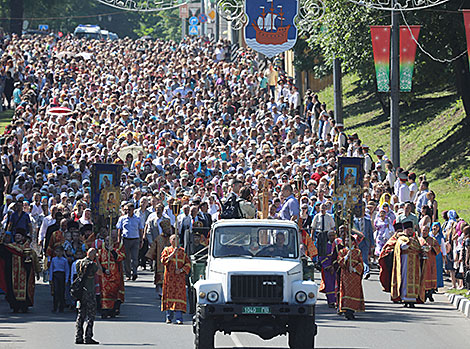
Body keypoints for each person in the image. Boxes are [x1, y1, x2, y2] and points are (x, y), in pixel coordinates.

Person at [0, 229, 41, 313]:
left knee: (25, 289)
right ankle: (15, 306)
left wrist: (37, 271)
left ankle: (24, 306)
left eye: (19, 236)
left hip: (25, 273)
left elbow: (34, 261)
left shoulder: (29, 249)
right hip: (13, 273)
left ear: (23, 237)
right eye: (16, 236)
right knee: (12, 288)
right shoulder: (11, 247)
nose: (17, 237)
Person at [161, 234, 191, 324]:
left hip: (179, 279)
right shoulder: (166, 250)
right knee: (169, 297)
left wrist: (181, 270)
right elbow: (163, 260)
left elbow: (188, 264)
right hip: (169, 278)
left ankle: (179, 318)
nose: (175, 241)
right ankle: (169, 317)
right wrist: (173, 253)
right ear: (170, 241)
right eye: (173, 239)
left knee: (179, 297)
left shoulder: (183, 251)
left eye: (177, 239)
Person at [75, 248, 103, 345]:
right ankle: (88, 336)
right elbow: (100, 272)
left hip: (80, 292)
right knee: (91, 315)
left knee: (81, 315)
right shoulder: (92, 265)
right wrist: (97, 260)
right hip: (89, 292)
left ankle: (78, 336)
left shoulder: (78, 263)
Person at [337, 234, 365, 320]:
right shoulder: (342, 251)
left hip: (354, 275)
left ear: (353, 242)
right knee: (346, 292)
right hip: (346, 275)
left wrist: (355, 269)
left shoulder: (358, 252)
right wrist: (346, 257)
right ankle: (346, 311)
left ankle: (352, 311)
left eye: (348, 240)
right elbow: (339, 262)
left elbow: (361, 264)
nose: (346, 242)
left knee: (354, 293)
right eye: (345, 241)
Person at [97, 236, 126, 318]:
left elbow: (121, 257)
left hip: (114, 275)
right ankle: (104, 310)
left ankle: (112, 310)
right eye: (106, 241)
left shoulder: (116, 250)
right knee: (105, 293)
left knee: (113, 293)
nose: (107, 242)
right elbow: (97, 261)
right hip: (104, 275)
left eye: (109, 241)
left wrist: (112, 251)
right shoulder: (100, 251)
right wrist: (103, 269)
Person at [116, 203, 144, 281]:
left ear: (133, 210)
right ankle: (128, 274)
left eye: (129, 210)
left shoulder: (138, 218)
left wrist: (141, 240)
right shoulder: (122, 218)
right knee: (127, 258)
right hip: (126, 239)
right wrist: (118, 240)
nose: (128, 211)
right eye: (126, 210)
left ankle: (134, 272)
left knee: (135, 257)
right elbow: (119, 229)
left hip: (135, 239)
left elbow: (140, 229)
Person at [145, 218, 172, 297]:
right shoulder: (158, 238)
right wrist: (150, 257)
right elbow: (153, 248)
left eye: (169, 229)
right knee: (159, 277)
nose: (168, 231)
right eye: (167, 229)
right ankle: (160, 291)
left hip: (170, 261)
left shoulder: (172, 239)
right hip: (160, 261)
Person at [420, 223, 441, 302]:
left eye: (426, 230)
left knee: (430, 276)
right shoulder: (418, 240)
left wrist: (431, 248)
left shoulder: (432, 240)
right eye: (423, 230)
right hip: (421, 262)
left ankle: (430, 293)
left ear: (428, 231)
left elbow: (438, 248)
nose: (424, 232)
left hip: (430, 262)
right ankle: (423, 294)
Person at [319, 231, 338, 308]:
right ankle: (331, 301)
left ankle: (337, 301)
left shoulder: (338, 245)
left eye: (333, 235)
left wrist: (335, 266)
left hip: (337, 268)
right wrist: (328, 266)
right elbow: (322, 257)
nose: (332, 237)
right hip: (328, 269)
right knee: (329, 285)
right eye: (330, 236)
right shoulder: (325, 246)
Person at [49, 245, 69, 313]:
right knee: (55, 291)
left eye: (59, 251)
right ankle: (55, 307)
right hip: (55, 275)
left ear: (62, 252)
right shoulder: (54, 259)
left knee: (62, 292)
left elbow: (67, 270)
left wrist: (66, 279)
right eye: (56, 251)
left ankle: (61, 307)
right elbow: (51, 269)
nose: (58, 253)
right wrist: (50, 278)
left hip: (62, 275)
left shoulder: (64, 260)